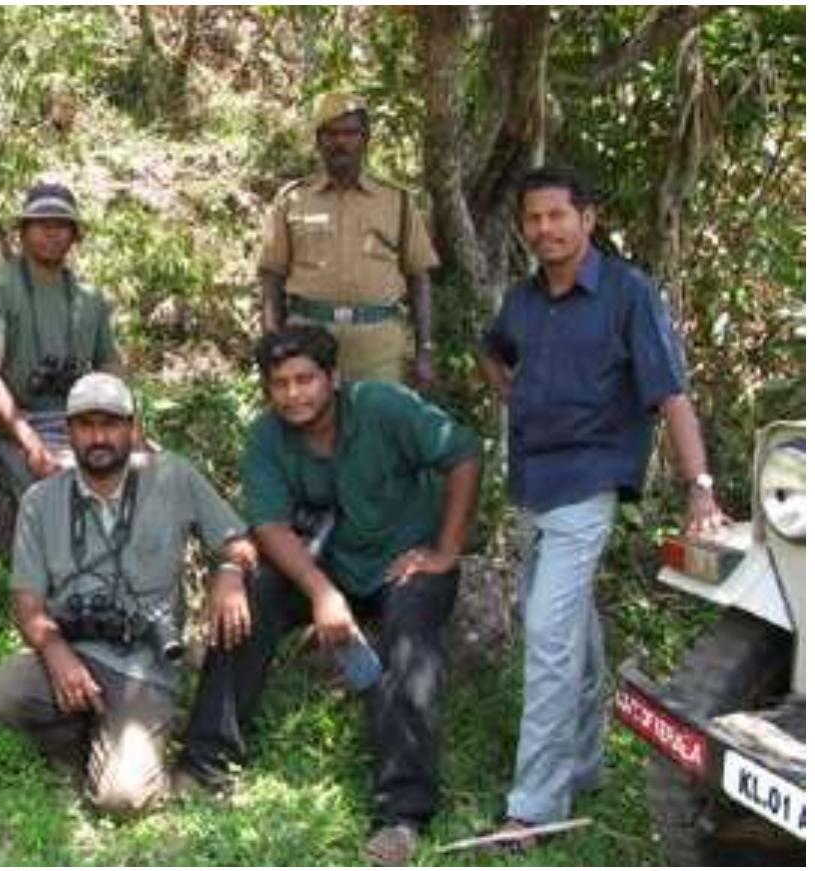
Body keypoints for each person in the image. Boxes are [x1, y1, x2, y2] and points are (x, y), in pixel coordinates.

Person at [478, 165, 728, 847]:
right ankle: (583, 761)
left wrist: (698, 488)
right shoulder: (523, 301)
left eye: (557, 216)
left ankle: (534, 806)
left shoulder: (626, 292)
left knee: (548, 643)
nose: (544, 229)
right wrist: (514, 393)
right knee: (564, 632)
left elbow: (669, 393)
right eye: (532, 219)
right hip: (531, 484)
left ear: (587, 219)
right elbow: (492, 352)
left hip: (587, 487)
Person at [177, 325, 480, 865]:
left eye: (305, 380)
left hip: (403, 562)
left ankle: (402, 815)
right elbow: (269, 526)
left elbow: (462, 454)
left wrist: (446, 551)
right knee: (249, 591)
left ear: (333, 378)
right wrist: (322, 594)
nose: (294, 394)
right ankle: (205, 762)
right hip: (328, 567)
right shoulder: (266, 436)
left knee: (410, 633)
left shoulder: (383, 406)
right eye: (281, 384)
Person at [0, 373, 257, 815]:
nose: (99, 437)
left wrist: (228, 571)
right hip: (72, 651)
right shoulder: (41, 500)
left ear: (132, 428)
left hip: (142, 667)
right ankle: (84, 736)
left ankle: (125, 741)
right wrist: (56, 654)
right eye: (86, 425)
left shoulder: (173, 477)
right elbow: (27, 601)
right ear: (69, 432)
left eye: (110, 424)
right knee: (5, 696)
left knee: (123, 800)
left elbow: (238, 541)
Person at [258, 93, 440, 387]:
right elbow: (272, 277)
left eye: (350, 133)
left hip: (378, 346)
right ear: (318, 141)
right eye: (330, 133)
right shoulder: (292, 200)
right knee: (309, 429)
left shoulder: (397, 201)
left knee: (379, 427)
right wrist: (270, 344)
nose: (340, 142)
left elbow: (419, 277)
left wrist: (424, 351)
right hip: (306, 341)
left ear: (365, 139)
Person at [0, 181, 120, 496]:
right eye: (41, 224)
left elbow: (110, 366)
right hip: (17, 423)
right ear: (23, 232)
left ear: (74, 235)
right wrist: (31, 443)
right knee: (62, 487)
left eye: (62, 225)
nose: (52, 233)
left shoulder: (89, 298)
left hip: (78, 419)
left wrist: (134, 432)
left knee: (151, 475)